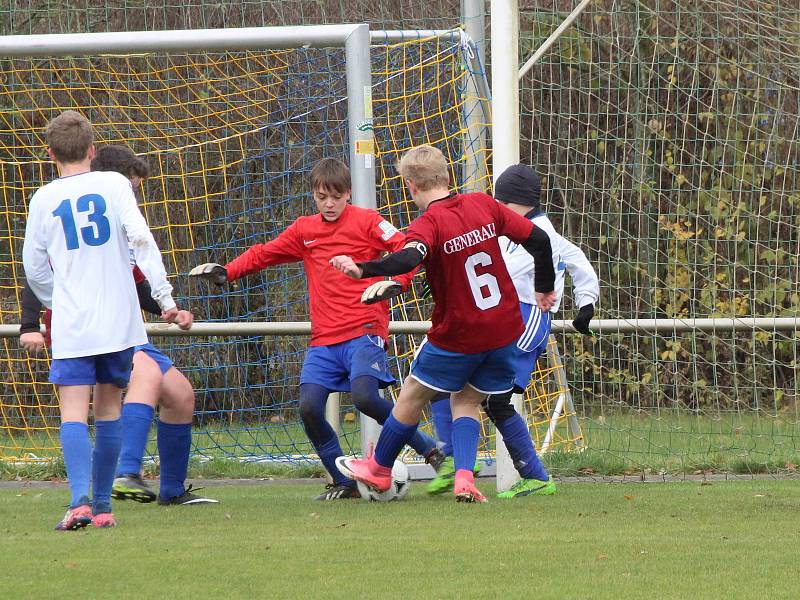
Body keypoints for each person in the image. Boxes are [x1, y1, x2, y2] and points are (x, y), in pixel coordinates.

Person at [189, 157, 444, 500]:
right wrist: (229, 272)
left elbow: (407, 250)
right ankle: (344, 483)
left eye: (335, 196)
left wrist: (396, 282)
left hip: (365, 328)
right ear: (313, 195)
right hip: (324, 339)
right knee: (309, 408)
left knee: (366, 397)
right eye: (321, 196)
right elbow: (265, 253)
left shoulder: (368, 221)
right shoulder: (305, 230)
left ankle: (428, 448)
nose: (328, 203)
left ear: (349, 193)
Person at [331, 145, 557, 503]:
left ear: (411, 186)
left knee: (410, 397)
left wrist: (364, 268)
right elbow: (539, 240)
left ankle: (378, 470)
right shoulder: (484, 204)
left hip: (460, 333)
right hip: (503, 329)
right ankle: (464, 479)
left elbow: (408, 256)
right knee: (466, 402)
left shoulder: (429, 224)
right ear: (447, 176)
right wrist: (545, 287)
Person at [20, 145, 217, 507]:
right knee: (139, 382)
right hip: (93, 328)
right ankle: (125, 473)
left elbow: (136, 278)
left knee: (181, 395)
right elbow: (40, 269)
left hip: (119, 324)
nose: (134, 192)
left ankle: (171, 490)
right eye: (132, 184)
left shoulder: (116, 225)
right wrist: (29, 323)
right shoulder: (85, 207)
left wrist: (167, 308)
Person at [426, 163, 599, 498]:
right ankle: (460, 459)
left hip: (526, 319)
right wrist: (585, 304)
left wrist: (585, 306)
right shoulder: (520, 230)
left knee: (492, 398)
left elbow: (506, 269)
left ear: (518, 202)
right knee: (451, 385)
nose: (497, 206)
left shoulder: (540, 235)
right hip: (502, 316)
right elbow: (580, 264)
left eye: (501, 201)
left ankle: (528, 474)